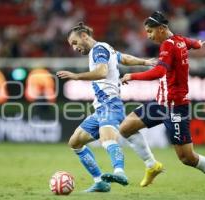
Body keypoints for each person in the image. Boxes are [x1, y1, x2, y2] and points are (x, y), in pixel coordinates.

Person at [120, 11, 205, 196]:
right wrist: (198, 44)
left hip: (175, 106)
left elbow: (159, 72)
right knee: (125, 128)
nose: (149, 36)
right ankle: (152, 165)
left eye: (150, 31)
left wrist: (132, 75)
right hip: (160, 103)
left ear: (162, 28)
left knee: (187, 158)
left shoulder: (168, 45)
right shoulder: (180, 40)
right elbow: (191, 43)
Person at [57, 22, 159, 192]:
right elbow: (124, 58)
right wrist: (145, 62)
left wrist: (76, 76)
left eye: (75, 43)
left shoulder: (98, 50)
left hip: (110, 104)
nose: (75, 48)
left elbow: (102, 72)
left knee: (107, 139)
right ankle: (99, 181)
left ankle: (120, 172)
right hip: (101, 108)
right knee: (75, 142)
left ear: (84, 36)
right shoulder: (105, 48)